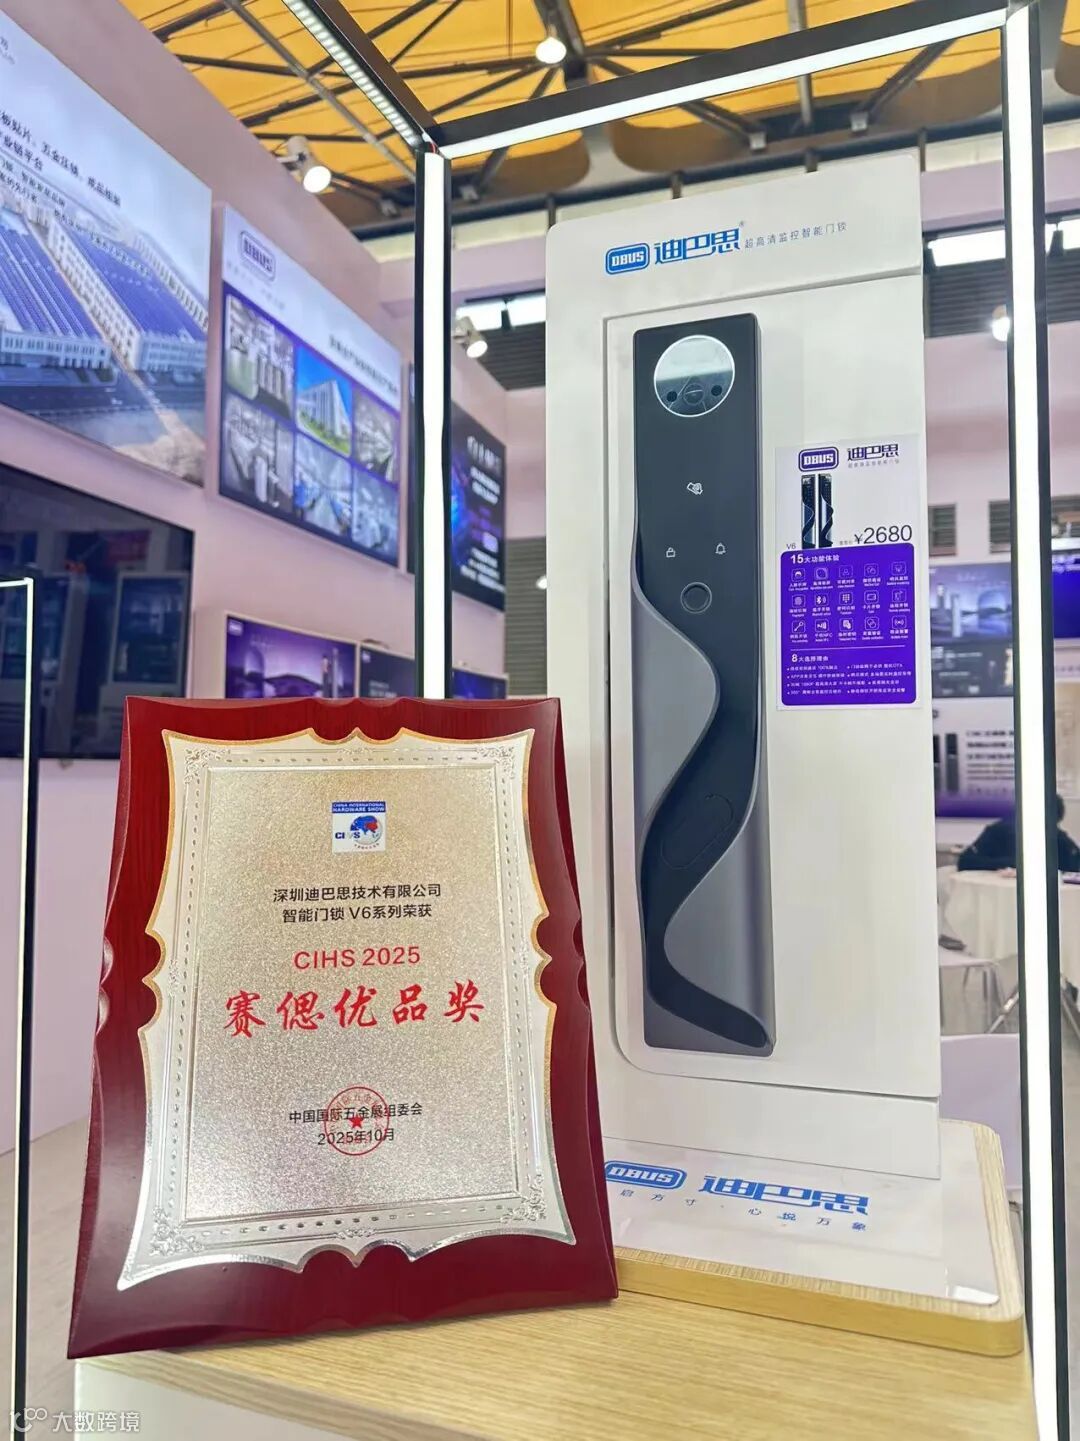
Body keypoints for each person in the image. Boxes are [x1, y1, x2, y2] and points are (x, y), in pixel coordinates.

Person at [957, 794, 1080, 873]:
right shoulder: (999, 831)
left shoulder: (1057, 837)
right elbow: (966, 861)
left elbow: (1074, 863)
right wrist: (1010, 863)